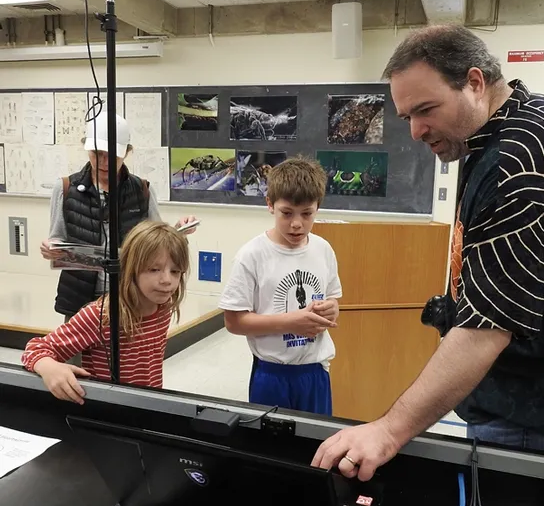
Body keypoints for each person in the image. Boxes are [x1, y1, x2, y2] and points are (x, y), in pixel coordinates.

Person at [312, 24, 544, 480]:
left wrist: (388, 430)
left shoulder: (517, 161)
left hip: (532, 406)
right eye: (407, 115)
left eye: (426, 110)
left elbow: (487, 329)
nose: (415, 131)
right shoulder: (538, 115)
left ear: (474, 82)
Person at [40, 111, 196, 321]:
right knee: (77, 353)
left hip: (130, 295)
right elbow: (57, 237)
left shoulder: (142, 190)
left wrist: (178, 230)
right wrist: (52, 248)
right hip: (80, 297)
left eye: (112, 155)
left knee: (128, 353)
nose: (104, 162)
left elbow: (158, 243)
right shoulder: (66, 188)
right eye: (97, 154)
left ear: (127, 152)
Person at [218, 157, 342, 415]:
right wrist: (290, 322)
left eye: (307, 214)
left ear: (317, 208)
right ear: (270, 205)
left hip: (314, 372)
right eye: (287, 213)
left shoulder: (323, 250)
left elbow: (333, 301)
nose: (297, 224)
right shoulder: (251, 255)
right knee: (269, 450)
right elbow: (234, 322)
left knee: (316, 448)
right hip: (272, 374)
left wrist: (331, 310)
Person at [22, 220, 190, 404]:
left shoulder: (163, 308)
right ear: (130, 268)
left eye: (175, 271)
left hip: (147, 404)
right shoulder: (100, 316)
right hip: (107, 408)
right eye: (154, 270)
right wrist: (48, 367)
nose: (167, 280)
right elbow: (35, 349)